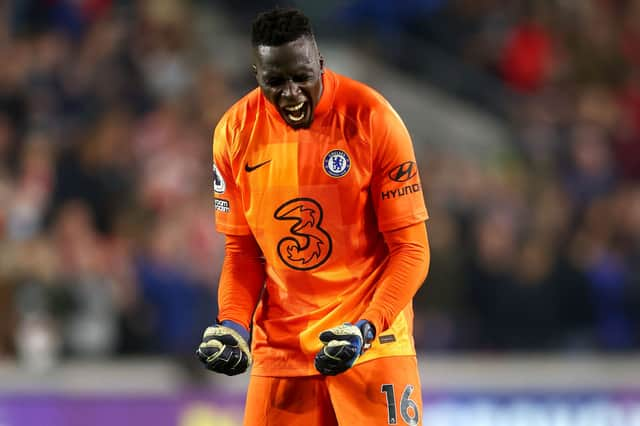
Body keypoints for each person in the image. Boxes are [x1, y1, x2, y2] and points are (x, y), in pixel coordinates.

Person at [197, 7, 430, 425]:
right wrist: (233, 325)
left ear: (320, 64)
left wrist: (365, 327)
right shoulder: (233, 133)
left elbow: (411, 251)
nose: (291, 93)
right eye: (275, 82)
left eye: (302, 76)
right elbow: (243, 253)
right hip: (282, 353)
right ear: (256, 74)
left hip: (372, 345)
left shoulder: (373, 119)